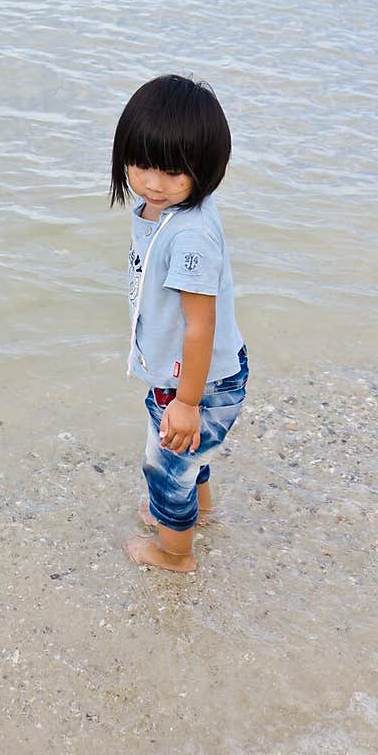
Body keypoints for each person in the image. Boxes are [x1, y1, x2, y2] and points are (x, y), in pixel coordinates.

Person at [110, 73, 248, 572]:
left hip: (198, 381)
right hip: (195, 372)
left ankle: (175, 555)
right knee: (188, 456)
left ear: (204, 170)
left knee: (166, 468)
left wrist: (187, 402)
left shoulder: (188, 235)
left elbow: (199, 325)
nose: (152, 181)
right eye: (142, 163)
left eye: (172, 171)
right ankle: (201, 510)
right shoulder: (162, 209)